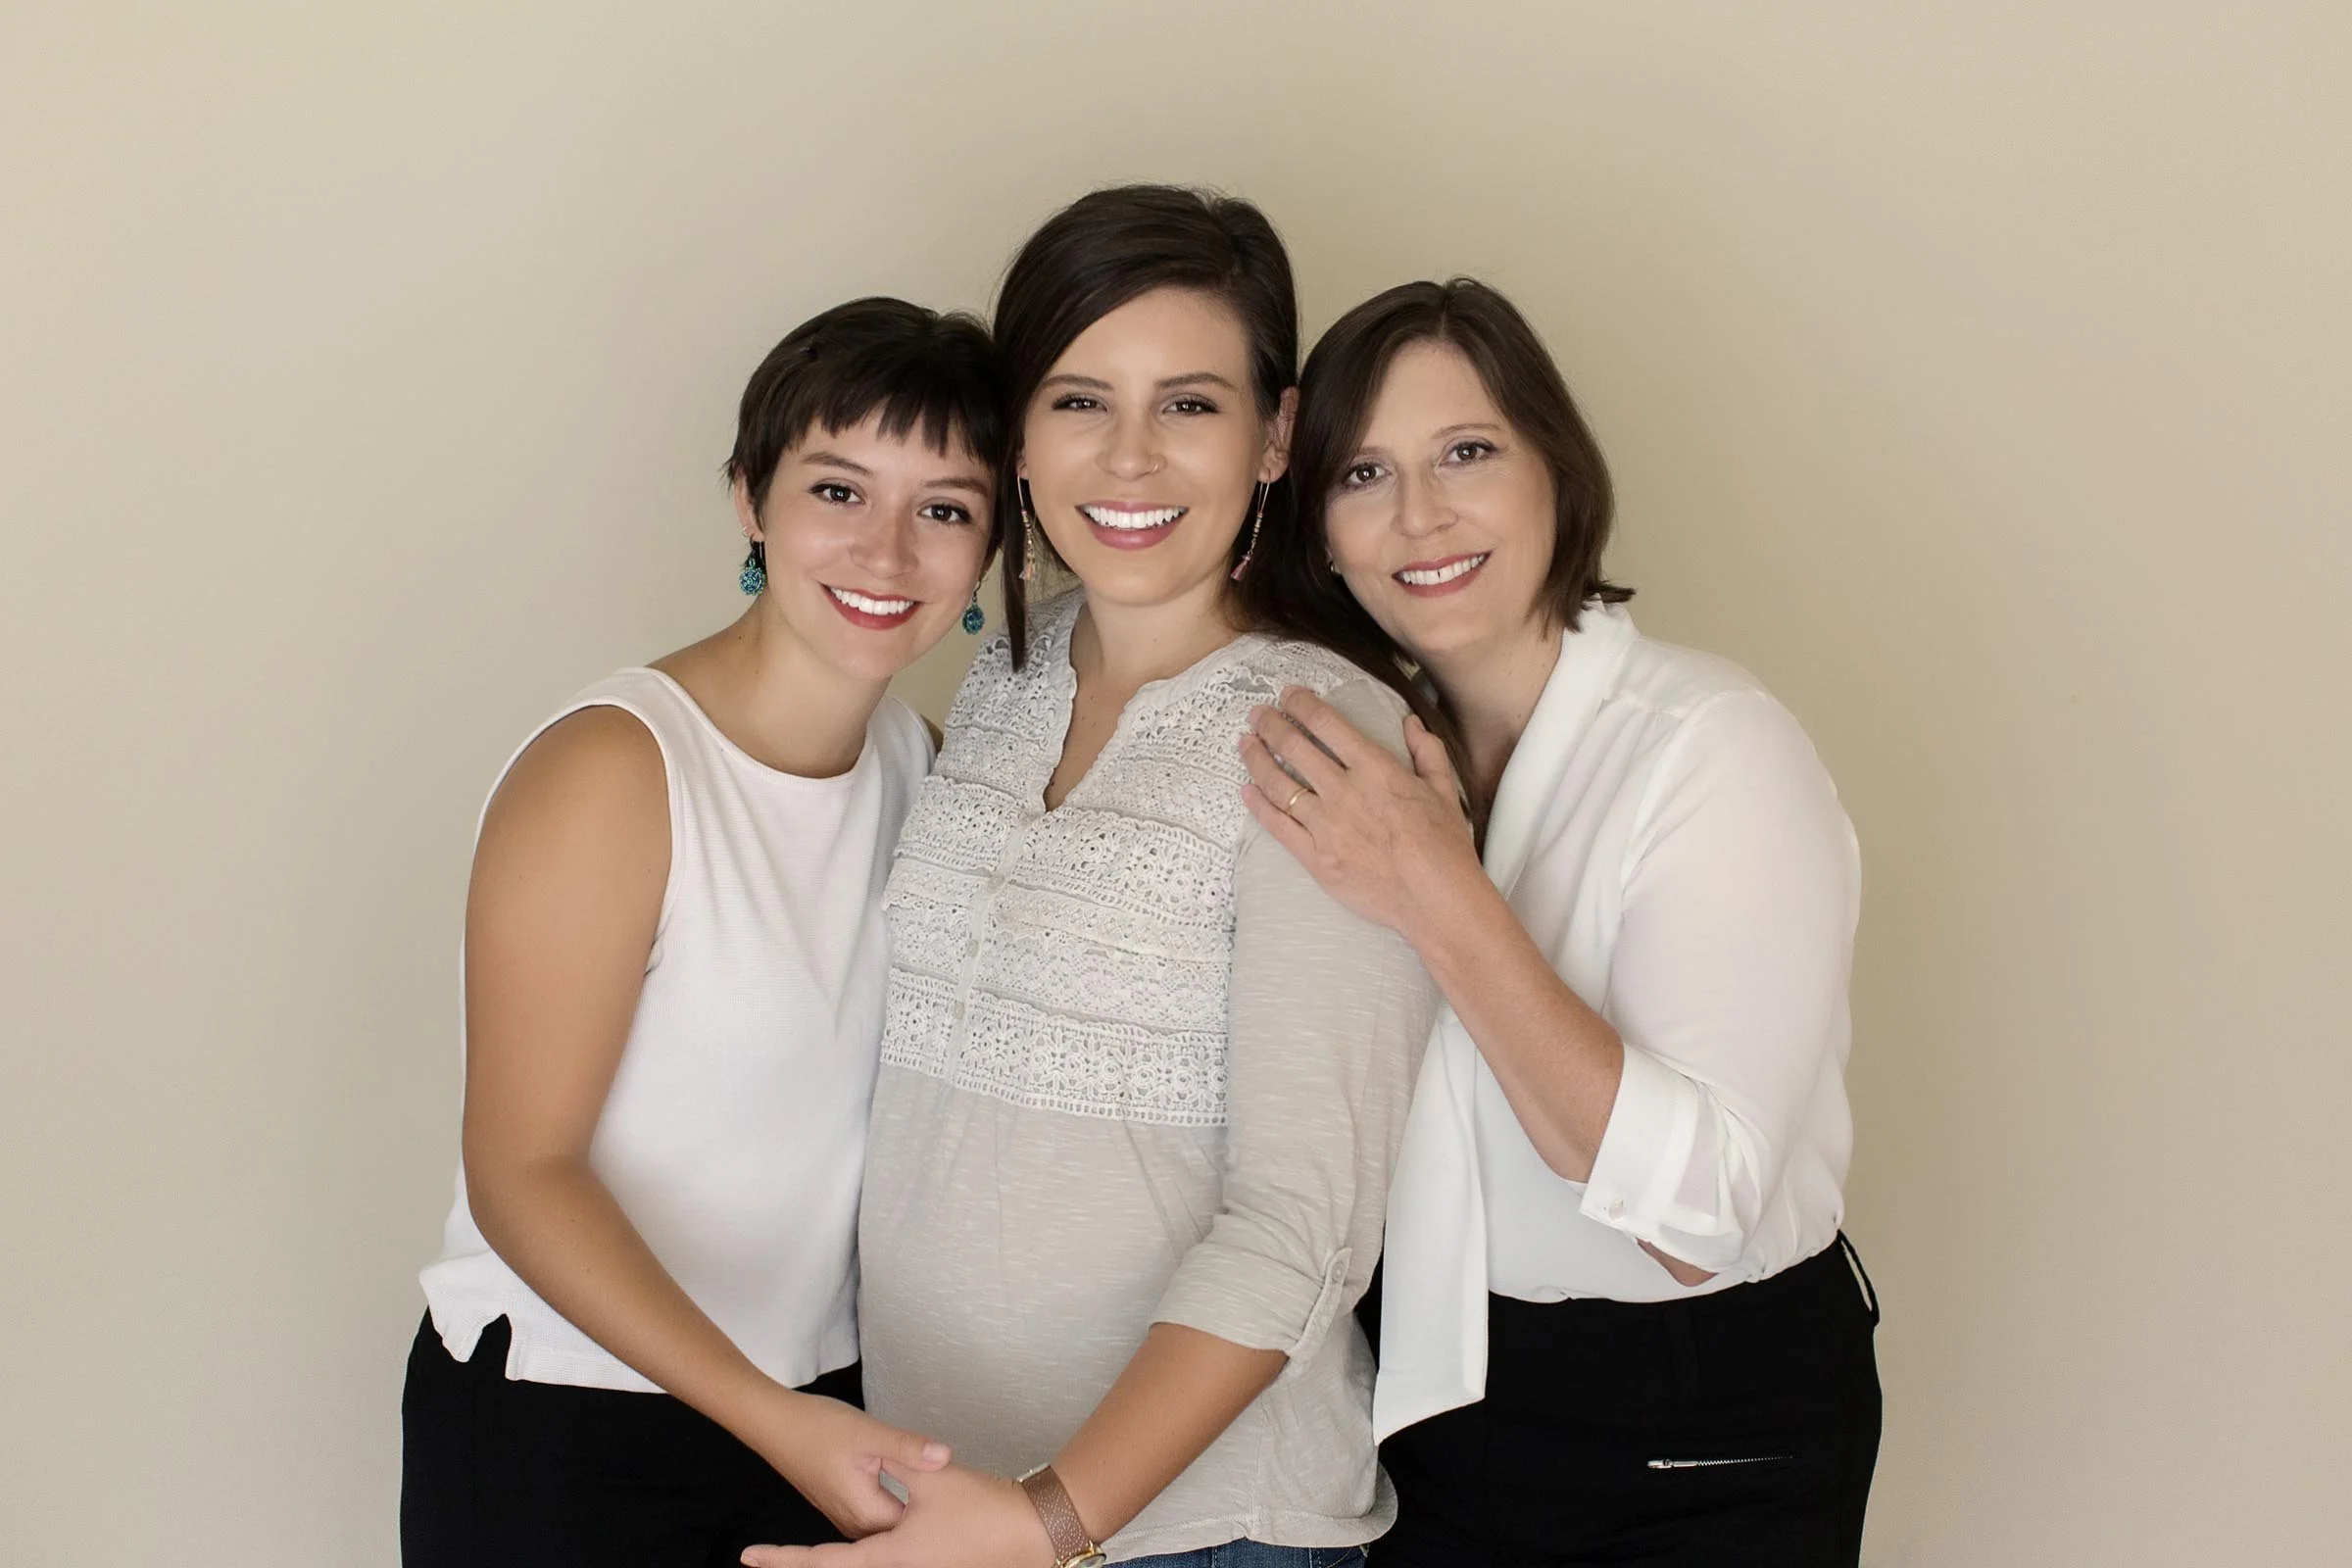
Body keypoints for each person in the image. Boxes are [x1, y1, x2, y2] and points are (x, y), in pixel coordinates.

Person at [746, 186, 1439, 1568]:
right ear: (1019, 435)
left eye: (1187, 405)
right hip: (935, 1503)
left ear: (1277, 434)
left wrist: (1051, 1521)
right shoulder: (997, 670)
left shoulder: (1326, 731)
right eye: (1077, 402)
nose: (1127, 460)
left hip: (1203, 1534)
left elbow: (1305, 1224)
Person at [1234, 278, 1882, 1566]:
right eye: (1363, 474)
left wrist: (1437, 893)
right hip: (1433, 1398)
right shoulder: (1372, 754)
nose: (1422, 516)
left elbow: (1699, 1220)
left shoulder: (1710, 744)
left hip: (1698, 1416)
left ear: (1554, 468)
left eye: (1466, 452)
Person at [401, 296, 1006, 1567]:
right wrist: (776, 1422)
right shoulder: (616, 771)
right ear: (750, 499)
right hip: (574, 1422)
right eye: (839, 492)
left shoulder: (923, 762)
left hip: (823, 1418)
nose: (888, 553)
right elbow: (524, 1170)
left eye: (943, 509)